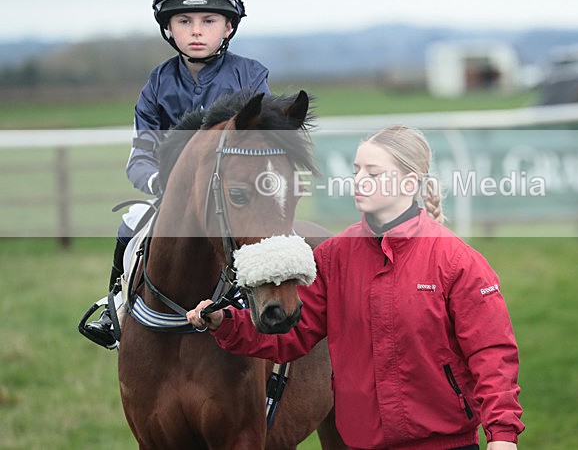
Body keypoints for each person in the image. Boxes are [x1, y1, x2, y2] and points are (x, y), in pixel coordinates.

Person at [187, 126, 525, 449]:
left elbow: (492, 355)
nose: (359, 181)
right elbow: (291, 334)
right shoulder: (334, 256)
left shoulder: (458, 261)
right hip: (360, 444)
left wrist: (502, 435)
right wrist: (228, 323)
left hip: (444, 444)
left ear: (409, 184)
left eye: (373, 174)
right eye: (356, 170)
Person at [81, 0, 272, 349]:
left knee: (262, 229)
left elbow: (263, 144)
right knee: (132, 220)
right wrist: (159, 181)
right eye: (185, 21)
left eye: (209, 21)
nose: (197, 31)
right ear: (168, 28)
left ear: (229, 26)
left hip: (235, 194)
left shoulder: (252, 75)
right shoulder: (156, 83)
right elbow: (140, 155)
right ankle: (115, 309)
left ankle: (265, 307)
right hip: (172, 198)